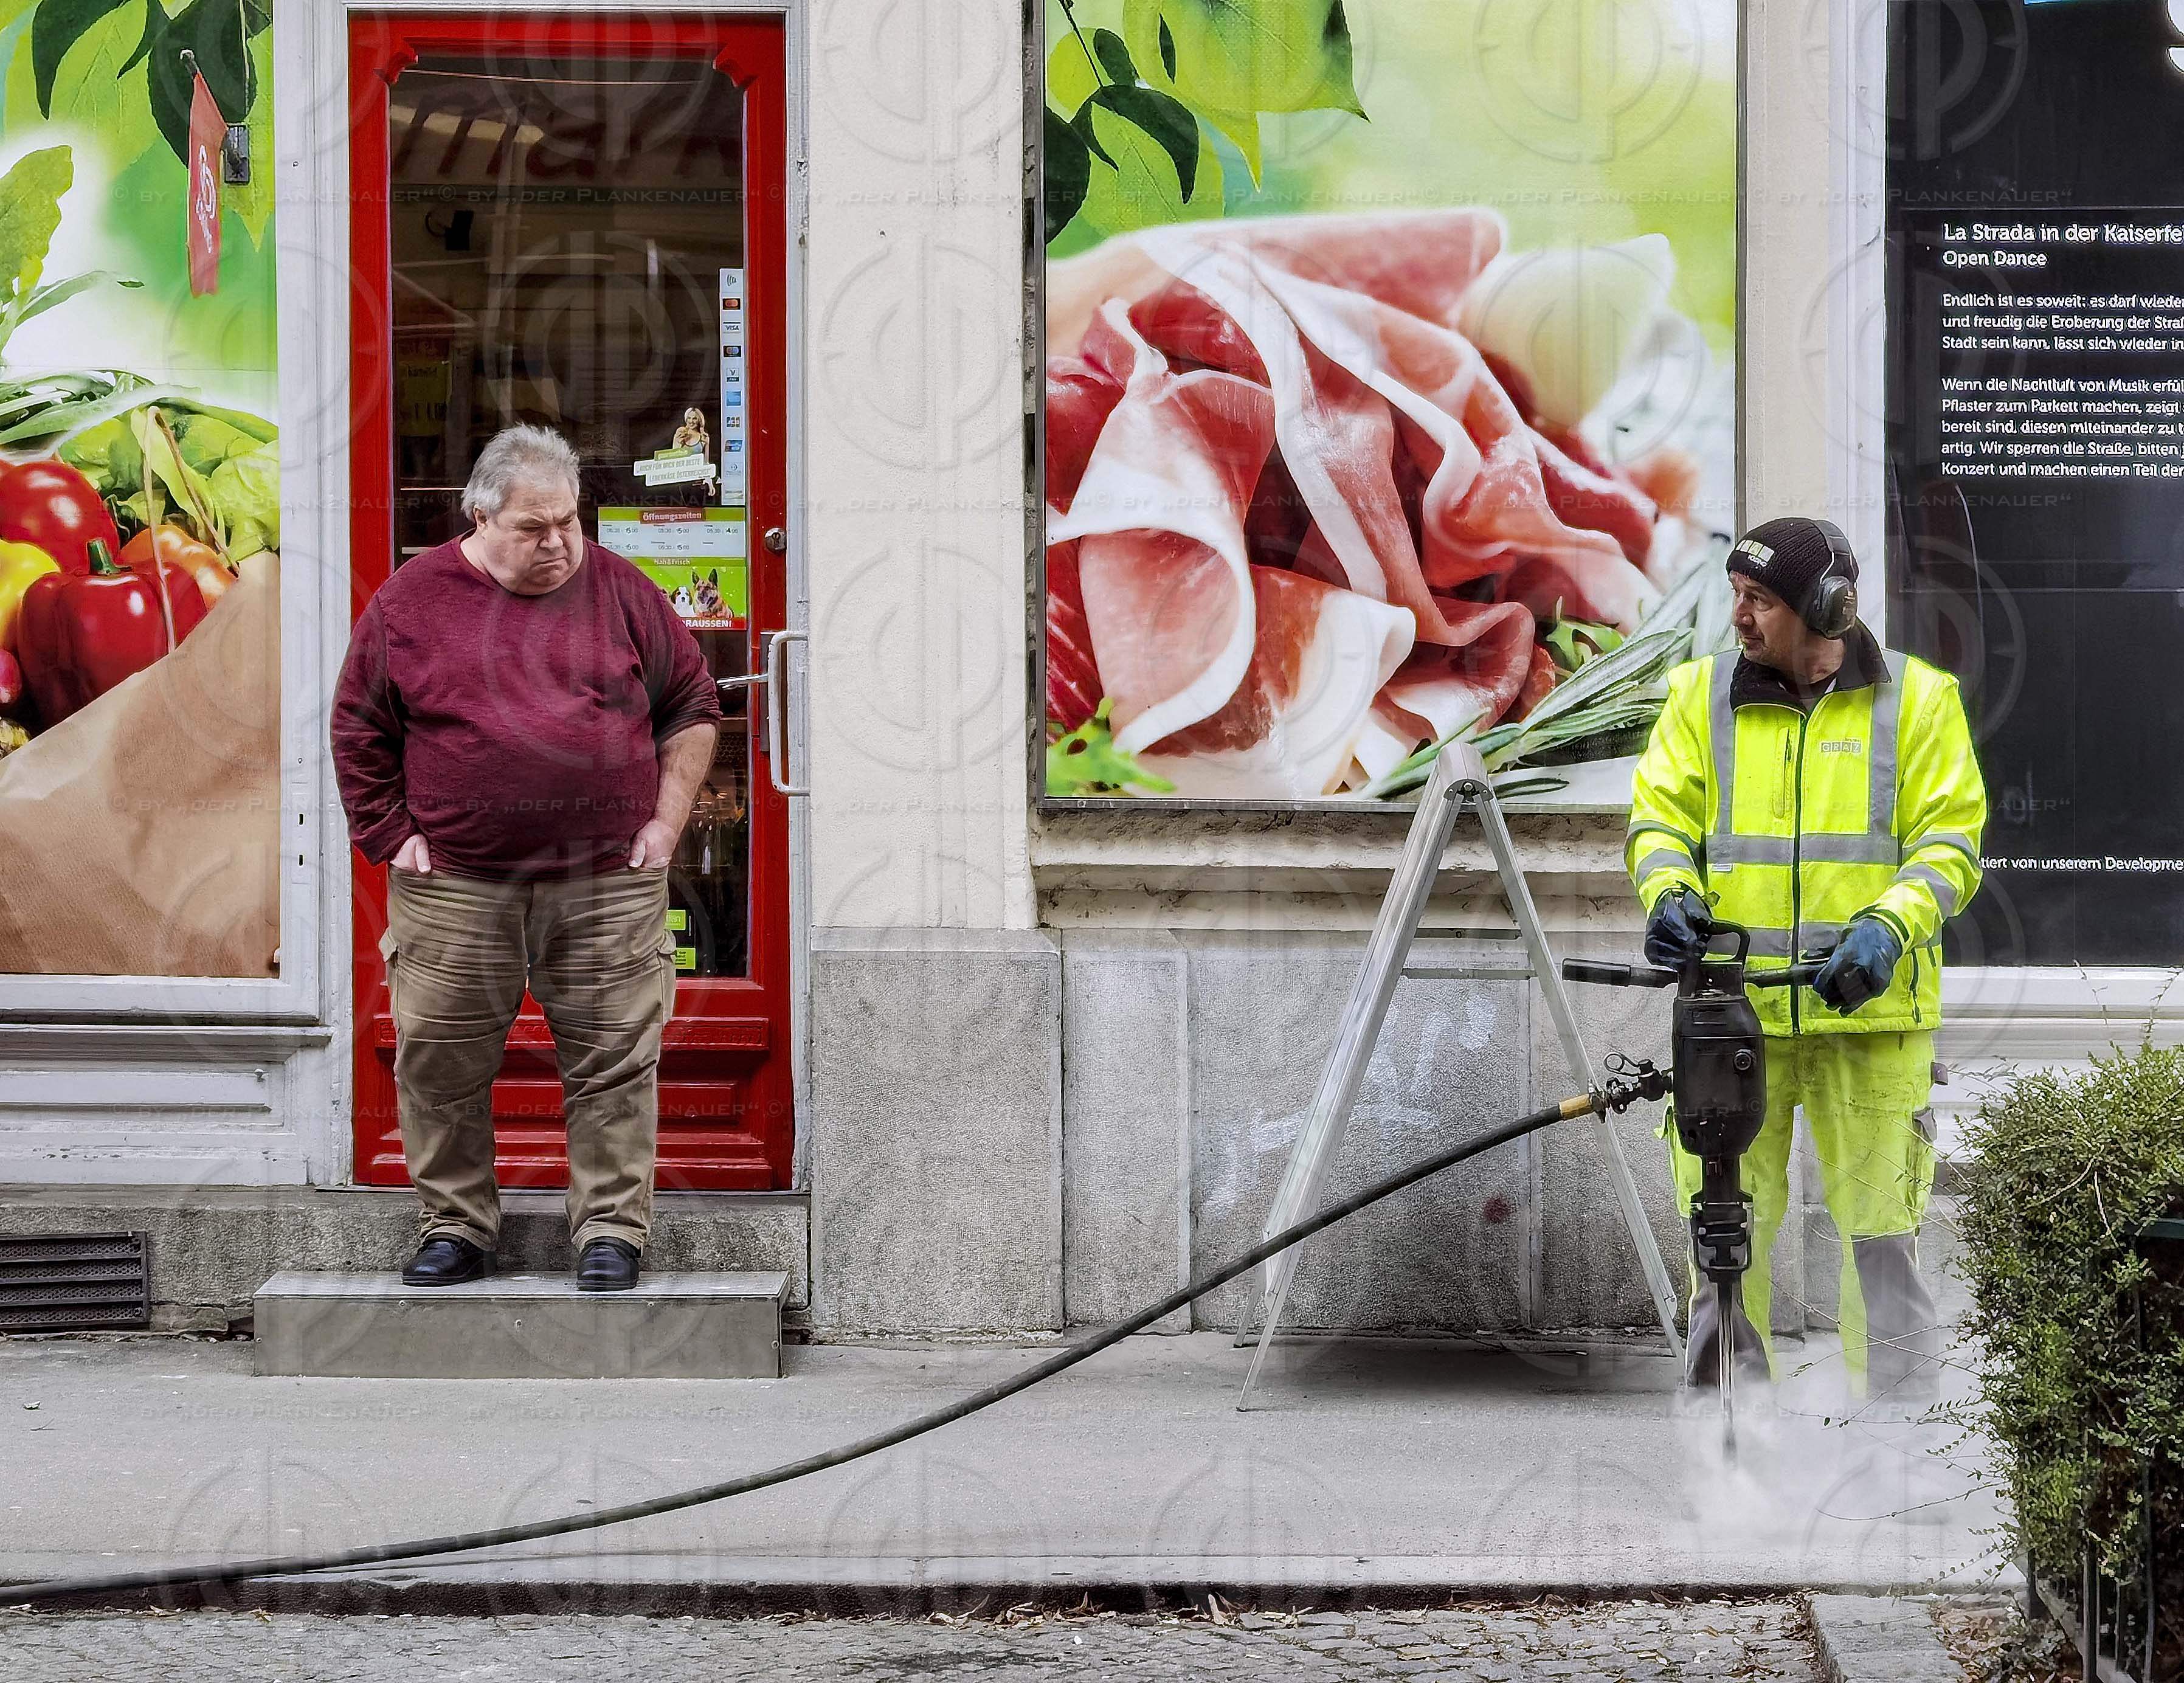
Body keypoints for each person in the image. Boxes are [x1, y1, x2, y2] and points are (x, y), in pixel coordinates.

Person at [332, 425, 722, 1292]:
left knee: (615, 1060)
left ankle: (611, 1232)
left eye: (569, 523)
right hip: (457, 884)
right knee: (440, 1059)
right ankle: (456, 1227)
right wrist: (391, 835)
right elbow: (359, 727)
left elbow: (693, 703)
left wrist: (665, 825)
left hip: (606, 882)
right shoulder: (410, 601)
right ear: (479, 518)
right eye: (533, 528)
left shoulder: (621, 589)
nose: (558, 544)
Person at [1625, 517, 1986, 1401]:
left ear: (1824, 608)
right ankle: (1730, 1435)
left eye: (1759, 599)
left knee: (1884, 1240)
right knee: (1722, 1238)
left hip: (1872, 1020)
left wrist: (1891, 926)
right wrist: (1667, 893)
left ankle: (1899, 1439)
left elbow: (1950, 846)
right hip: (1731, 1018)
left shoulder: (1920, 701)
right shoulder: (1701, 696)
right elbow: (1658, 823)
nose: (1739, 616)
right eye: (1736, 595)